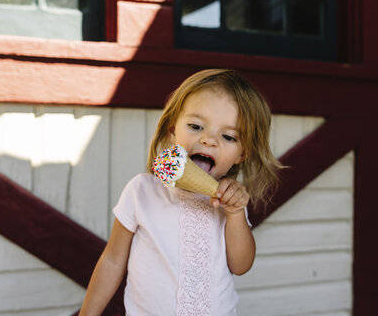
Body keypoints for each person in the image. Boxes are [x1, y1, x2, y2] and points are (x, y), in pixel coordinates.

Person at [79, 69, 283, 315]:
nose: (209, 140)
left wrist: (236, 214)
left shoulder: (231, 203)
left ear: (242, 153)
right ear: (173, 129)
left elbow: (241, 266)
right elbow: (112, 260)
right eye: (196, 126)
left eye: (228, 136)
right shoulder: (142, 191)